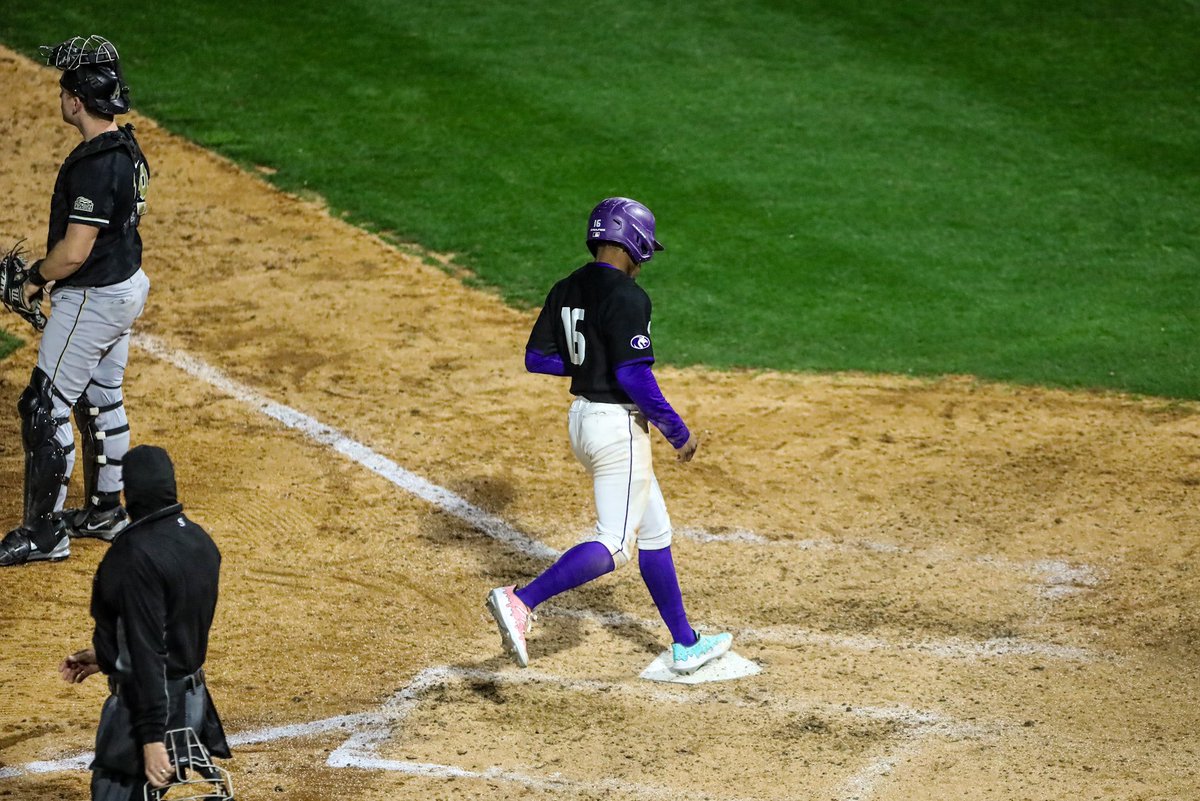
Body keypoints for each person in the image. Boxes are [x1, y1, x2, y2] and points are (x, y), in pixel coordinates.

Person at [487, 197, 732, 674]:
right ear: (634, 243)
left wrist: (590, 363)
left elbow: (537, 358)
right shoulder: (628, 297)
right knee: (618, 543)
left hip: (583, 420)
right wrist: (677, 432)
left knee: (655, 530)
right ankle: (521, 600)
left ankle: (686, 643)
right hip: (618, 428)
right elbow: (636, 378)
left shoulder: (565, 287)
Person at [0, 35, 151, 566]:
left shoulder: (94, 164)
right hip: (126, 285)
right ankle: (107, 510)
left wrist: (33, 281)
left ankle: (45, 534)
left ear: (77, 100)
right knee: (102, 393)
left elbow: (73, 252)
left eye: (65, 90)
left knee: (45, 405)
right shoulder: (126, 145)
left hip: (93, 296)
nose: (60, 97)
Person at [59, 445, 231, 801]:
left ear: (129, 492)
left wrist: (151, 738)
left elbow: (146, 651)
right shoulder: (201, 541)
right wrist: (105, 655)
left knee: (114, 791)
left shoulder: (132, 556)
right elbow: (174, 626)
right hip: (193, 704)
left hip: (147, 710)